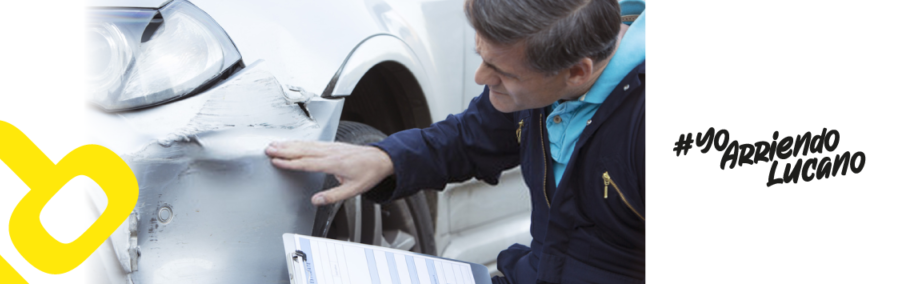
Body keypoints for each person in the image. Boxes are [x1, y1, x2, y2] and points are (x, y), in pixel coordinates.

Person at [265, 0, 645, 282]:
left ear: (576, 72)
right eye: (480, 57)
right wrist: (383, 159)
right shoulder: (545, 76)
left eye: (500, 71)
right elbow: (472, 137)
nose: (481, 77)